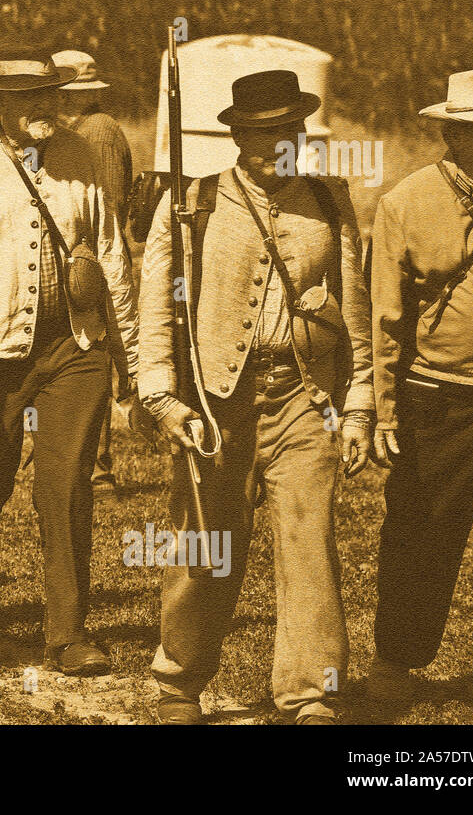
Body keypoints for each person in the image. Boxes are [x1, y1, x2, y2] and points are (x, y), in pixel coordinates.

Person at [140, 69, 374, 724]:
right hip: (216, 404)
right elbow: (156, 305)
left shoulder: (330, 203)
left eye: (291, 130)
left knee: (309, 541)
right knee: (204, 545)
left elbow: (355, 311)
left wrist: (358, 409)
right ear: (238, 136)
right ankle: (179, 683)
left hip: (304, 399)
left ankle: (310, 692)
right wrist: (162, 396)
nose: (281, 143)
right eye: (265, 132)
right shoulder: (192, 202)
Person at [0, 42, 139, 676]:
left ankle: (67, 635)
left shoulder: (82, 158)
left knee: (66, 487)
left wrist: (133, 357)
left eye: (49, 94)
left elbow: (110, 255)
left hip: (72, 348)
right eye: (27, 98)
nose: (43, 107)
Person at [369, 66, 473, 723]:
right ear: (456, 137)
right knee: (424, 533)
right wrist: (381, 410)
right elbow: (383, 318)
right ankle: (395, 665)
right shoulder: (405, 205)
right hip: (440, 401)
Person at [52, 48, 134, 496]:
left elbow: (107, 210)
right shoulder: (81, 131)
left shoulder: (97, 133)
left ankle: (97, 468)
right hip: (84, 263)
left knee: (93, 356)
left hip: (94, 266)